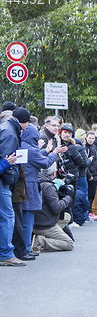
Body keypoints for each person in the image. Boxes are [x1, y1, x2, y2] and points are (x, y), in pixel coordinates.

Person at [21, 123, 67, 255]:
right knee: (28, 218)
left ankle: (23, 246)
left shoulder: (21, 146)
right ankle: (26, 248)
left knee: (21, 218)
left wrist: (45, 151)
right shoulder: (31, 148)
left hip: (21, 184)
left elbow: (33, 157)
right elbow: (45, 162)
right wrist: (54, 153)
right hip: (30, 185)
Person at [0, 107, 30, 266]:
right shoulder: (10, 133)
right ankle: (5, 253)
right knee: (7, 217)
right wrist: (9, 178)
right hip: (2, 181)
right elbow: (6, 158)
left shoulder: (5, 128)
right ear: (23, 122)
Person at [32, 163, 75, 252]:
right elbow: (56, 208)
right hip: (45, 224)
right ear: (53, 173)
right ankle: (41, 241)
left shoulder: (36, 181)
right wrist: (68, 197)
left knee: (66, 216)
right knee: (69, 244)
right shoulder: (48, 187)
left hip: (36, 219)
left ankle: (40, 236)